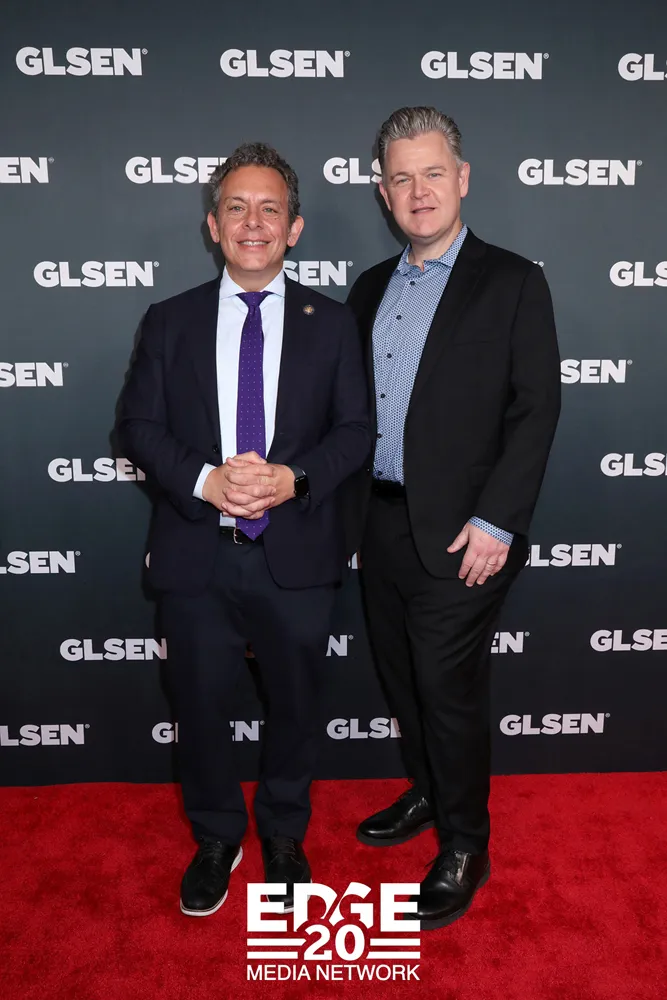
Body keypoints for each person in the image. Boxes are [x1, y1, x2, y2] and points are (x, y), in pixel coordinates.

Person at [117, 142, 370, 917]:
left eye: (269, 209)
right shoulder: (169, 321)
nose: (252, 222)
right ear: (212, 224)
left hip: (296, 555)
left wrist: (294, 479)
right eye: (236, 207)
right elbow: (136, 428)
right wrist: (206, 481)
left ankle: (284, 833)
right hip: (196, 554)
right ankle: (216, 836)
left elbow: (355, 431)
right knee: (197, 706)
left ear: (293, 228)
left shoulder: (332, 323)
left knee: (294, 706)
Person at [346, 107, 561, 930]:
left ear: (462, 178)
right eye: (400, 177)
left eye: (432, 173)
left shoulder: (511, 281)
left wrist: (497, 523)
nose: (418, 191)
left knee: (446, 690)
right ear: (382, 192)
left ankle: (466, 842)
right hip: (378, 524)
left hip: (465, 533)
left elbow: (535, 409)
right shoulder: (369, 288)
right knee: (402, 680)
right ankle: (429, 793)